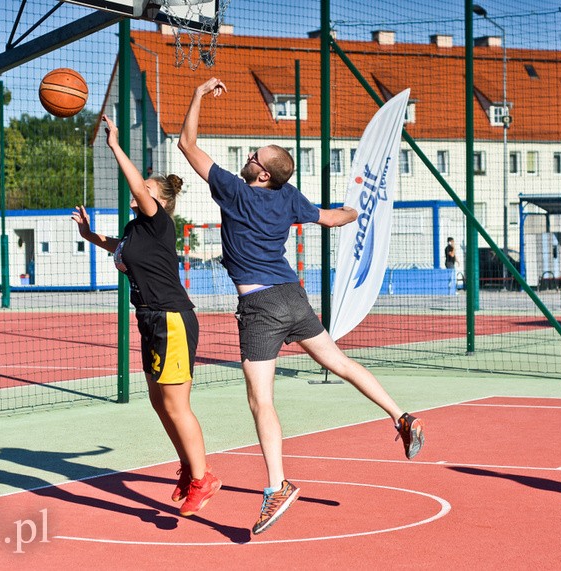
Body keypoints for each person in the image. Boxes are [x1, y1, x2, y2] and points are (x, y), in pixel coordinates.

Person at [177, 78, 425, 535]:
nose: (247, 157)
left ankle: (277, 487)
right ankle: (401, 416)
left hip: (261, 305)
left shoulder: (235, 191)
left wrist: (196, 94)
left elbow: (186, 142)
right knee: (342, 363)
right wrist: (359, 209)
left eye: (254, 156)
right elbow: (332, 218)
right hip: (294, 295)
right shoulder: (289, 197)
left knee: (260, 400)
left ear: (263, 173)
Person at [72, 114, 220, 517]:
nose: (140, 193)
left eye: (148, 190)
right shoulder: (135, 228)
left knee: (176, 405)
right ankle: (191, 470)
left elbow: (137, 184)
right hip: (151, 320)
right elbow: (120, 248)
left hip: (171, 317)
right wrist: (90, 236)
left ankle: (204, 478)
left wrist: (115, 144)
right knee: (159, 401)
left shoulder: (159, 223)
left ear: (160, 202)